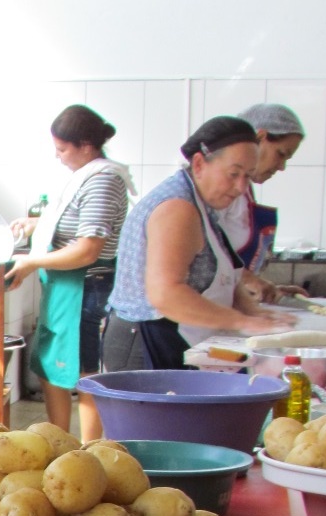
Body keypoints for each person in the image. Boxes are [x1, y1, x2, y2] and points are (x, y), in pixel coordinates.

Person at [103, 116, 294, 372]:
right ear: (200, 163)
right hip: (145, 341)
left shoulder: (201, 203)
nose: (240, 187)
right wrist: (243, 322)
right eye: (233, 174)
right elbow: (167, 295)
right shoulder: (177, 208)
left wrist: (250, 310)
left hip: (169, 336)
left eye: (247, 177)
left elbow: (226, 275)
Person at [5, 105, 133, 442]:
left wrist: (32, 262)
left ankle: (89, 452)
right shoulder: (85, 175)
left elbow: (89, 248)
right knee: (53, 370)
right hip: (64, 288)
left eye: (62, 149)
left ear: (86, 145)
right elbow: (78, 224)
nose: (58, 156)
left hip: (85, 288)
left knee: (84, 375)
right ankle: (59, 445)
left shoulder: (104, 179)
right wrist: (38, 224)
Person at [221, 103, 308, 301]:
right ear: (259, 138)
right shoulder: (218, 189)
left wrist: (266, 289)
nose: (282, 166)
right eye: (281, 153)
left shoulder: (245, 191)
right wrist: (249, 280)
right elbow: (202, 254)